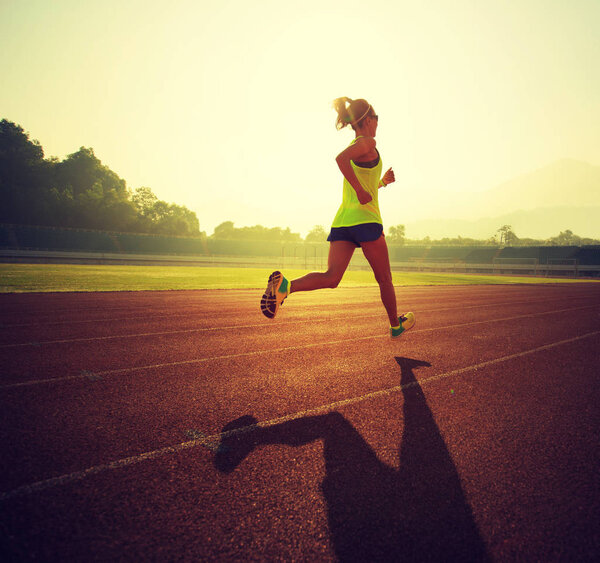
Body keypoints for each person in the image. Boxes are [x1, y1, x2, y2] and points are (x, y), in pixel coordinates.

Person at [260, 97, 415, 338]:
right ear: (369, 119)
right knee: (384, 278)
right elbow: (341, 160)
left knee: (331, 277)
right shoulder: (368, 142)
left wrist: (380, 183)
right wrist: (363, 190)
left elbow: (362, 185)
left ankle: (286, 287)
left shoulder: (361, 144)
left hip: (344, 222)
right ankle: (396, 325)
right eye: (377, 118)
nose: (378, 123)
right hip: (367, 223)